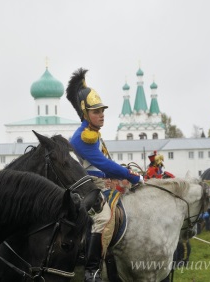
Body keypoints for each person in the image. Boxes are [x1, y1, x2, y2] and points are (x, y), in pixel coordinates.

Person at [66, 68, 144, 282]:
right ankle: (92, 270)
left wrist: (120, 175)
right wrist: (133, 176)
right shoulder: (82, 137)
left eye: (102, 110)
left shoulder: (93, 133)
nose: (101, 115)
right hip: (88, 185)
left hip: (100, 182)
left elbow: (105, 164)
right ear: (85, 113)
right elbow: (104, 164)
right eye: (96, 111)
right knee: (102, 218)